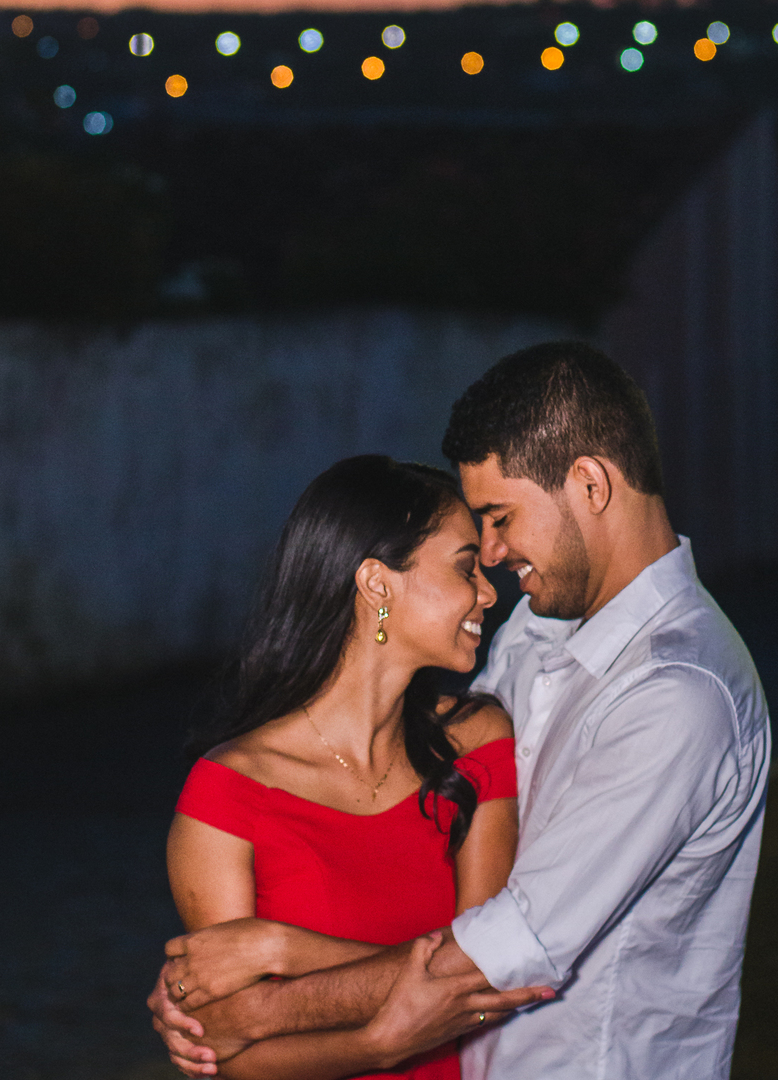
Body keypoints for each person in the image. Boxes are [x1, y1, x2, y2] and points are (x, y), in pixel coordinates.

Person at [152, 342, 770, 1080]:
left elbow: (515, 946)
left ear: (590, 483)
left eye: (500, 517)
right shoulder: (540, 632)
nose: (493, 553)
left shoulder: (678, 693)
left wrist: (258, 1000)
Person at [156, 453, 551, 1080]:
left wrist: (282, 949)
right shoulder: (227, 793)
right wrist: (378, 1046)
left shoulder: (475, 739)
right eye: (464, 566)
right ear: (376, 583)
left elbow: (488, 974)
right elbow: (227, 1048)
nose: (487, 591)